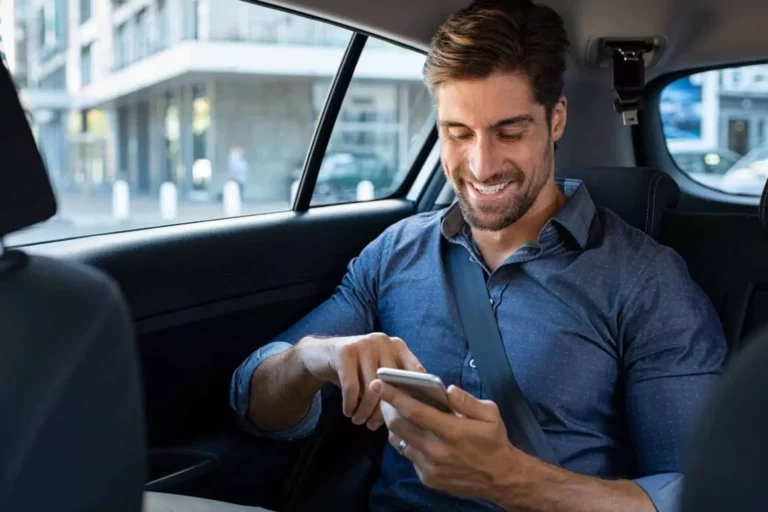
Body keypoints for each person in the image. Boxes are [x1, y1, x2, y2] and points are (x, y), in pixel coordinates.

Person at [145, 1, 726, 511]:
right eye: (458, 132)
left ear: (556, 120)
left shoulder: (645, 280)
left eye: (508, 131)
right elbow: (256, 406)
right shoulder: (396, 253)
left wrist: (513, 481)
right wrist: (313, 357)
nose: (480, 165)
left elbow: (699, 492)